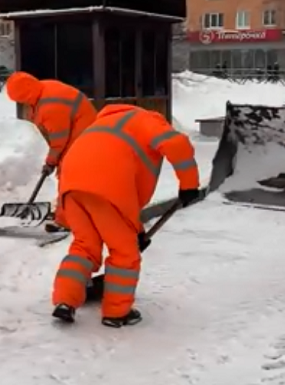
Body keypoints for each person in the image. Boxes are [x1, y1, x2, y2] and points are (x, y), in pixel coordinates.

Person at [51, 104, 201, 327]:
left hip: (71, 188)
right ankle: (116, 312)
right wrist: (189, 184)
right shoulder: (146, 119)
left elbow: (115, 194)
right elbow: (176, 143)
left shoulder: (99, 124)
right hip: (109, 190)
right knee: (124, 253)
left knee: (84, 247)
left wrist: (137, 231)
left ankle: (65, 300)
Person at [5, 71, 96, 233]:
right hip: (76, 131)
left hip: (83, 136)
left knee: (68, 175)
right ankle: (68, 211)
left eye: (21, 100)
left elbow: (58, 141)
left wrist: (51, 162)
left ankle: (66, 220)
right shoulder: (42, 90)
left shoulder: (51, 106)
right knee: (70, 175)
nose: (22, 104)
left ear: (26, 94)